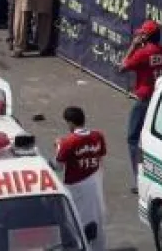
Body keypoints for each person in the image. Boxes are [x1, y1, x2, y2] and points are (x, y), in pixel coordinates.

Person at [118, 20, 162, 176]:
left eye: (141, 34)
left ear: (146, 37)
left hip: (145, 101)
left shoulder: (143, 53)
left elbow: (121, 68)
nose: (139, 36)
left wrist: (133, 46)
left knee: (133, 138)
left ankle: (139, 177)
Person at [56, 107, 107, 251]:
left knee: (77, 222)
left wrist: (58, 147)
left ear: (71, 123)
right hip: (96, 184)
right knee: (98, 221)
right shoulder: (98, 136)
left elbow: (58, 166)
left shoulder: (68, 142)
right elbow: (101, 157)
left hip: (76, 188)